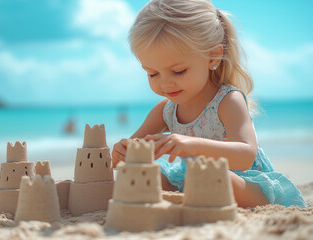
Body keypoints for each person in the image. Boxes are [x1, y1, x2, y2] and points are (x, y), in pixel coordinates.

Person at [111, 0, 305, 208]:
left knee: (218, 178)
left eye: (179, 71)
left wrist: (191, 145)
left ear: (213, 56)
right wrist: (122, 153)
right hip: (193, 180)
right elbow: (131, 155)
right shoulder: (166, 111)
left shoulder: (228, 100)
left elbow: (246, 155)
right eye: (153, 73)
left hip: (244, 182)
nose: (165, 83)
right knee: (144, 174)